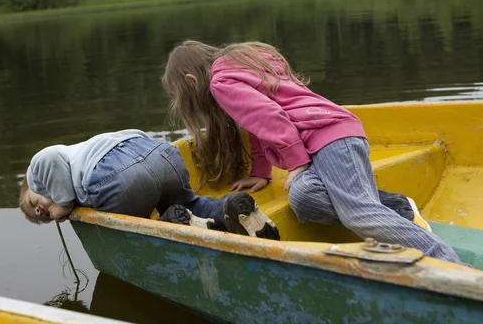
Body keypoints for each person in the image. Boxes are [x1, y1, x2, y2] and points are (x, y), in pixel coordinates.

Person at [162, 40, 462, 264]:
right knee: (304, 200)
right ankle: (393, 206)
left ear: (191, 81)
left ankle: (450, 263)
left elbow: (271, 118)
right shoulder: (242, 62)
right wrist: (261, 172)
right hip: (330, 138)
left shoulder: (219, 82)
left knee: (359, 214)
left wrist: (296, 163)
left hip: (330, 138)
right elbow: (255, 124)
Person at [18, 129, 281, 240]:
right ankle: (227, 207)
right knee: (190, 203)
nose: (43, 210)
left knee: (139, 232)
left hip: (116, 174)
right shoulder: (81, 151)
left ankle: (173, 225)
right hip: (159, 153)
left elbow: (48, 157)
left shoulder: (37, 171)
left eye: (33, 204)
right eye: (43, 217)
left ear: (29, 186)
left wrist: (62, 205)